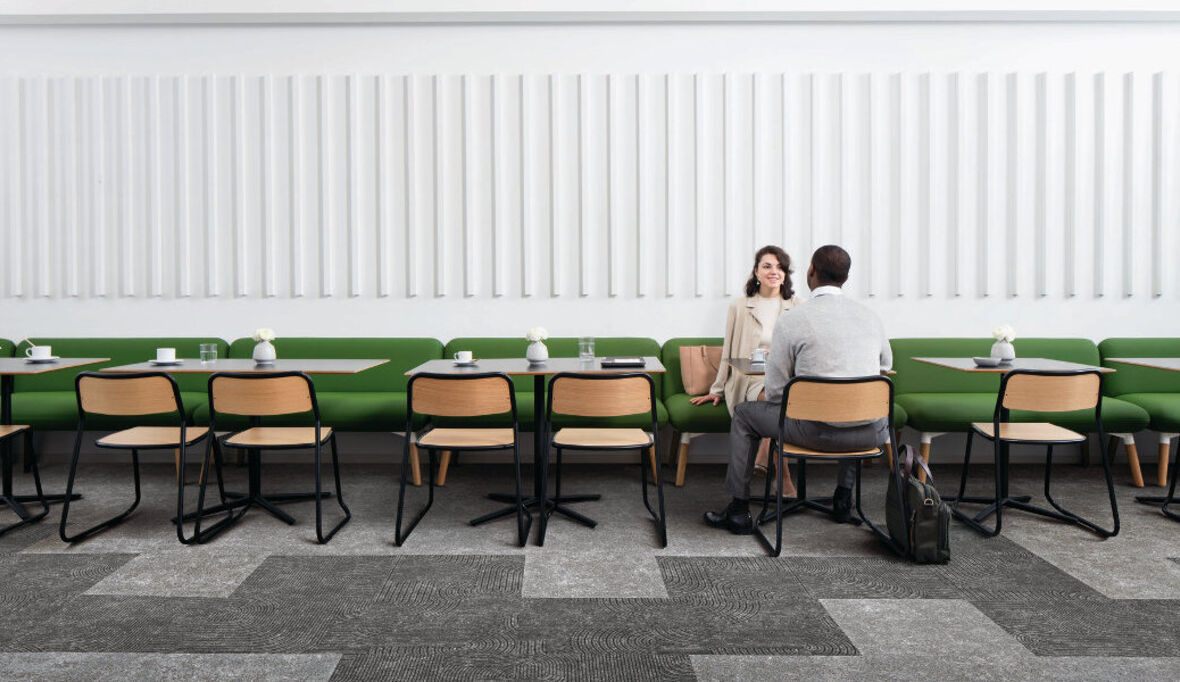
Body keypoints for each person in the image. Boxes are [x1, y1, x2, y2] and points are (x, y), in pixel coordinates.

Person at [704, 244, 892, 534]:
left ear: (811, 271)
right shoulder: (871, 317)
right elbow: (885, 366)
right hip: (871, 433)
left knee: (743, 414)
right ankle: (843, 499)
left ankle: (739, 510)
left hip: (813, 431)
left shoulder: (792, 320)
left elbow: (776, 393)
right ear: (846, 277)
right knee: (854, 407)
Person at [690, 245, 801, 496]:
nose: (774, 271)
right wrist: (717, 389)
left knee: (777, 398)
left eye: (780, 267)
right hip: (750, 379)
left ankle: (765, 453)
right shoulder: (740, 306)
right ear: (756, 272)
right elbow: (728, 350)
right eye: (767, 266)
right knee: (773, 399)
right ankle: (783, 477)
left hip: (786, 378)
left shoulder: (797, 306)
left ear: (785, 274)